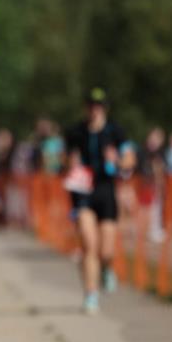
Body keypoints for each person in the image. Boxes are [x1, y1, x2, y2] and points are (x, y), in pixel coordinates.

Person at [63, 88, 135, 314]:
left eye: (99, 106)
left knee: (106, 251)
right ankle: (91, 294)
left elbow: (129, 160)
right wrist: (70, 163)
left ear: (105, 108)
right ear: (86, 107)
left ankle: (106, 268)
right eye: (91, 105)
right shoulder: (75, 132)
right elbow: (64, 161)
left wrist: (118, 160)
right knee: (89, 245)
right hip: (82, 192)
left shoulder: (115, 131)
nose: (94, 110)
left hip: (106, 192)